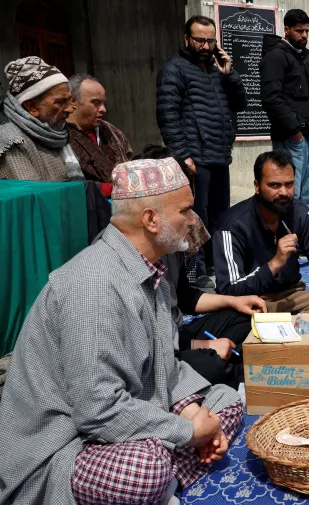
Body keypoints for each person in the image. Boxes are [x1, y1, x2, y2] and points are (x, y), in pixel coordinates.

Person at [0, 157, 243, 504]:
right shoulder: (94, 285)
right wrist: (188, 431)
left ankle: (164, 479)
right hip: (63, 448)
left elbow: (165, 368)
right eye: (186, 211)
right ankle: (162, 479)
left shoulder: (151, 272)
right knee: (147, 468)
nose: (194, 221)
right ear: (151, 220)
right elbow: (97, 410)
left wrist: (189, 409)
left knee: (227, 401)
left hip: (132, 418)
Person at [133, 145, 267, 390]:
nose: (194, 220)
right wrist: (199, 348)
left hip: (176, 337)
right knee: (215, 365)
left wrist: (233, 301)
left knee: (247, 317)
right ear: (150, 215)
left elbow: (184, 298)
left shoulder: (170, 243)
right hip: (156, 357)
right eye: (183, 210)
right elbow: (141, 351)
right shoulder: (118, 269)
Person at [213, 150, 309, 336]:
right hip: (252, 301)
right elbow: (229, 290)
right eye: (275, 185)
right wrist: (274, 264)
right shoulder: (231, 225)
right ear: (257, 186)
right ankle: (295, 331)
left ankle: (277, 332)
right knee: (229, 327)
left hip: (292, 296)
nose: (284, 192)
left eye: (289, 184)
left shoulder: (300, 214)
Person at [157, 15, 247, 287]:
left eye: (210, 40)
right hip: (195, 157)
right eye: (200, 40)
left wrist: (229, 74)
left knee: (222, 215)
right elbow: (167, 114)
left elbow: (240, 103)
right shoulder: (175, 69)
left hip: (219, 154)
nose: (206, 45)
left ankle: (219, 264)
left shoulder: (218, 69)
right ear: (187, 39)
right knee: (196, 217)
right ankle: (195, 274)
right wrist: (183, 154)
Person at [260, 8, 309, 216]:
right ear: (287, 29)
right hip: (292, 139)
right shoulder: (276, 57)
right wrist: (295, 132)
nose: (304, 35)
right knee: (289, 195)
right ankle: (290, 240)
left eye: (307, 31)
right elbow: (271, 99)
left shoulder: (303, 59)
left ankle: (308, 238)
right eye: (300, 31)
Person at [0, 56, 83, 181]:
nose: (70, 109)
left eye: (70, 100)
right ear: (32, 107)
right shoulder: (11, 141)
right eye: (61, 102)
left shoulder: (56, 133)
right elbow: (30, 195)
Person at [67, 74, 133, 197]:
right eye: (96, 103)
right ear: (73, 102)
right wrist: (109, 188)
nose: (103, 109)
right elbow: (66, 182)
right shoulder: (60, 136)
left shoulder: (112, 132)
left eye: (103, 103)